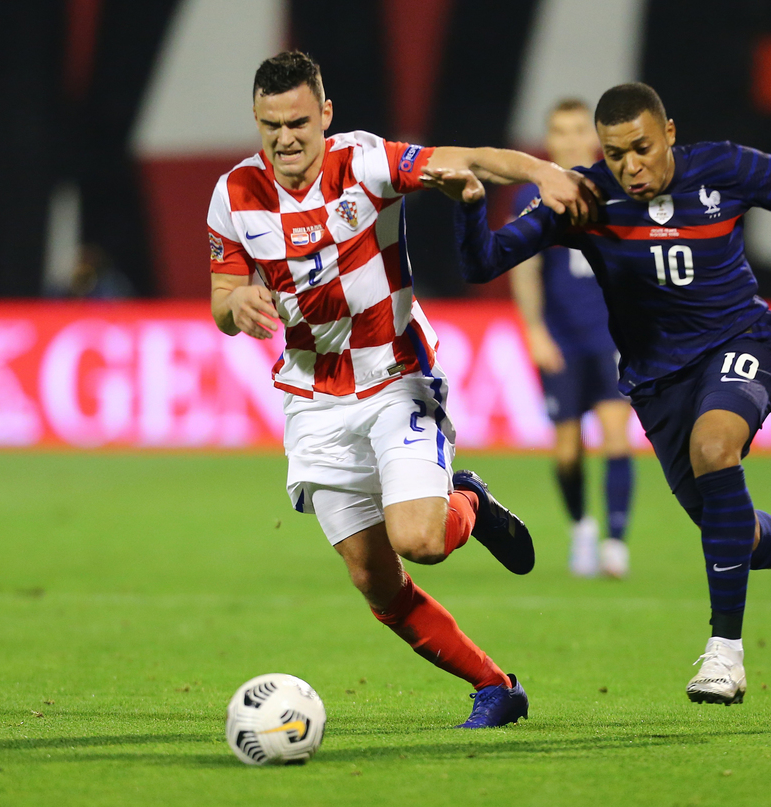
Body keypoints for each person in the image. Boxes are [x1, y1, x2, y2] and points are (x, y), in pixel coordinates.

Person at [430, 82, 771, 706]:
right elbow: (483, 263)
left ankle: (725, 654)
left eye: (642, 148)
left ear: (669, 133)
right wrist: (470, 205)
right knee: (732, 535)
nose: (630, 166)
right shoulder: (587, 196)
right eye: (615, 154)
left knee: (715, 448)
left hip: (740, 345)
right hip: (657, 383)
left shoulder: (726, 168)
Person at [206, 52, 597, 728]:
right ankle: (497, 687)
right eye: (272, 126)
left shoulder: (364, 162)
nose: (286, 138)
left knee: (420, 539)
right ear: (257, 121)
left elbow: (464, 157)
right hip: (314, 398)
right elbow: (220, 297)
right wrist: (235, 304)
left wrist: (541, 172)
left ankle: (468, 500)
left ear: (325, 115)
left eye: (299, 122)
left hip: (395, 378)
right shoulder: (234, 194)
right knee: (374, 580)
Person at [509, 99, 635, 578]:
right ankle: (582, 525)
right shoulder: (534, 196)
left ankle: (615, 544)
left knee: (617, 435)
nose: (569, 139)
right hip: (561, 339)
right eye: (559, 130)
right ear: (549, 139)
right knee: (566, 449)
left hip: (612, 336)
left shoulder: (618, 192)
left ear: (594, 137)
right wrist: (535, 331)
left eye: (578, 129)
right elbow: (525, 269)